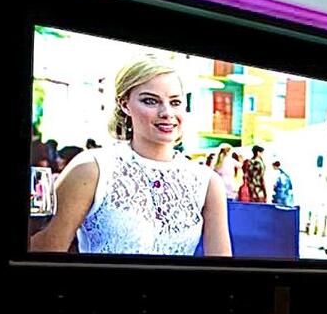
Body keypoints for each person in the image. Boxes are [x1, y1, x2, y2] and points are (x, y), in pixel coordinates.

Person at [29, 56, 232, 256]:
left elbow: (223, 269)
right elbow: (43, 255)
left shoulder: (208, 182)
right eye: (150, 101)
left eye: (175, 102)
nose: (167, 112)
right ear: (124, 104)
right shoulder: (92, 169)